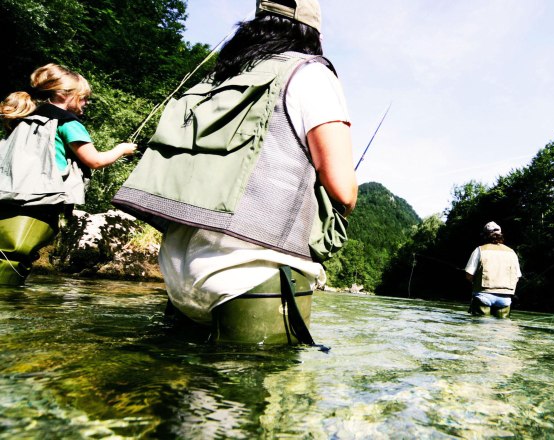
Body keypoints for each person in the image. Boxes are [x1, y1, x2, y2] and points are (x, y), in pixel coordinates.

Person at [112, 0, 357, 344]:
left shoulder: (221, 76)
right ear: (312, 31)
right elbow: (343, 188)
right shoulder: (311, 73)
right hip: (254, 272)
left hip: (178, 268)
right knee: (255, 390)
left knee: (173, 384)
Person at [0, 63, 137, 285]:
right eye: (83, 97)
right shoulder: (67, 123)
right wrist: (122, 149)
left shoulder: (24, 117)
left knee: (6, 251)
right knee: (18, 255)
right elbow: (95, 161)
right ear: (64, 94)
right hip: (41, 200)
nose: (87, 103)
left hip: (8, 195)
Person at [464, 221, 522, 318]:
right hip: (505, 299)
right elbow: (517, 277)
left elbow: (468, 275)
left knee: (479, 329)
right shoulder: (511, 252)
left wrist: (475, 282)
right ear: (501, 235)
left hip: (483, 296)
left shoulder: (479, 250)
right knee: (501, 329)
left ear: (485, 235)